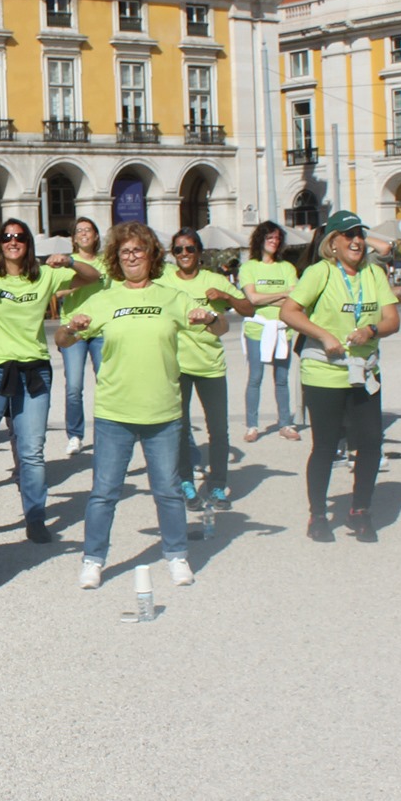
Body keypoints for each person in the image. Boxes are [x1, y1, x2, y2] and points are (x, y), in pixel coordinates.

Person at [57, 222, 211, 589]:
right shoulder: (103, 299)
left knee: (167, 490)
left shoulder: (171, 297)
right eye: (124, 252)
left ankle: (176, 555)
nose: (131, 257)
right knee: (104, 492)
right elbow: (63, 338)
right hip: (115, 412)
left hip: (163, 411)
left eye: (138, 250)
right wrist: (73, 327)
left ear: (152, 255)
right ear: (116, 258)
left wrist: (210, 318)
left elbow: (217, 328)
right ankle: (93, 559)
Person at [0, 219, 96, 544]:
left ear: (28, 243)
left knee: (31, 450)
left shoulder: (46, 276)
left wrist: (70, 260)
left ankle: (35, 515)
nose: (13, 241)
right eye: (7, 236)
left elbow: (94, 277)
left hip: (33, 371)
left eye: (19, 237)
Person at [278, 211, 401, 541]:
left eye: (359, 234)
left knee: (372, 443)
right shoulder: (320, 273)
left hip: (364, 371)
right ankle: (318, 515)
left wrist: (373, 328)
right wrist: (323, 335)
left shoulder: (374, 273)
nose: (356, 240)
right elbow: (288, 312)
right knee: (325, 445)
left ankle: (361, 510)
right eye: (347, 235)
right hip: (324, 372)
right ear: (332, 243)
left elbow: (393, 319)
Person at [161, 230, 239, 512]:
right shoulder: (163, 281)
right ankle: (185, 483)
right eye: (179, 249)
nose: (184, 254)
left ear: (199, 253)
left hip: (210, 365)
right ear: (173, 253)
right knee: (179, 429)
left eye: (190, 249)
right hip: (177, 366)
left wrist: (222, 297)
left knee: (218, 429)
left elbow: (247, 307)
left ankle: (218, 486)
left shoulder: (214, 281)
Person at [231, 220, 302, 442]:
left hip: (282, 328)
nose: (274, 242)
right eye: (269, 238)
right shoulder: (249, 267)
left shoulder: (287, 268)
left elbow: (295, 300)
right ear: (260, 240)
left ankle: (285, 423)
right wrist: (281, 294)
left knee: (282, 378)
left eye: (277, 238)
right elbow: (252, 298)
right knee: (255, 377)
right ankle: (252, 424)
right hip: (257, 328)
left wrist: (269, 298)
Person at [56, 216, 106, 454]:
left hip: (101, 328)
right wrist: (77, 283)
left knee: (106, 382)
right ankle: (75, 434)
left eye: (89, 230)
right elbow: (55, 291)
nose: (84, 234)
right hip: (73, 330)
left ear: (96, 236)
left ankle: (108, 429)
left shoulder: (107, 262)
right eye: (79, 231)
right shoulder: (68, 263)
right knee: (74, 386)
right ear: (74, 238)